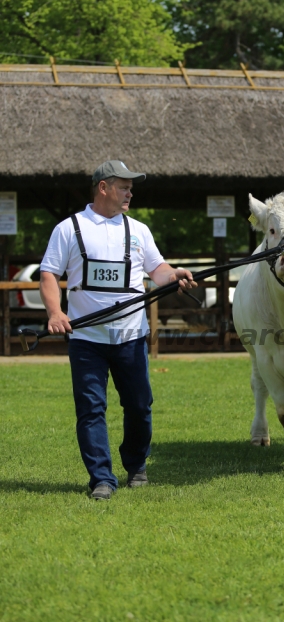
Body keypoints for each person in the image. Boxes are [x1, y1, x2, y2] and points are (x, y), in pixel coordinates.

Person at [40, 160, 196, 501]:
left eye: (131, 188)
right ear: (103, 188)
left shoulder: (139, 230)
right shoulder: (70, 228)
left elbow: (158, 269)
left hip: (131, 337)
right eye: (123, 186)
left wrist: (175, 276)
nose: (130, 193)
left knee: (140, 406)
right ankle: (101, 478)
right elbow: (49, 272)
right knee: (91, 410)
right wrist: (55, 311)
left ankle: (136, 464)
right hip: (87, 340)